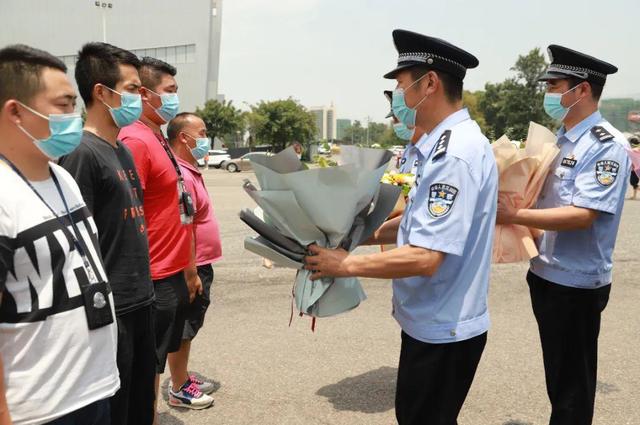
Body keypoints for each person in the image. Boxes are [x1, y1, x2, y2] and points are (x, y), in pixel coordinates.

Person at [305, 30, 497, 425]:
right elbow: (416, 226)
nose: (397, 95)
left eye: (401, 83)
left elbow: (427, 256)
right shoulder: (440, 145)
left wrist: (345, 265)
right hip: (433, 319)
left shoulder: (454, 154)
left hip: (445, 326)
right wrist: (354, 238)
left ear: (429, 83)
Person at [497, 45, 630, 425]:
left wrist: (514, 214)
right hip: (546, 273)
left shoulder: (606, 145)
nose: (549, 94)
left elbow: (584, 215)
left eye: (555, 86)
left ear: (582, 90)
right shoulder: (562, 138)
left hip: (576, 283)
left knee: (572, 388)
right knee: (559, 379)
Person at [0, 44, 119, 424]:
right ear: (16, 112)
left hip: (93, 389)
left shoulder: (63, 177)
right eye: (64, 104)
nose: (75, 115)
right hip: (38, 410)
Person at [57, 42, 155, 425]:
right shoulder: (82, 153)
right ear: (102, 92)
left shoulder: (123, 151)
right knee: (115, 408)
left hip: (141, 299)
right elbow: (75, 244)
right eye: (132, 89)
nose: (139, 99)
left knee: (138, 405)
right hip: (111, 310)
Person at [119, 57, 212, 411]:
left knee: (155, 364)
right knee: (145, 372)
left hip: (172, 272)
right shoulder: (136, 140)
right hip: (153, 277)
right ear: (145, 95)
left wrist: (187, 265)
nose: (175, 98)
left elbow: (180, 209)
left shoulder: (155, 137)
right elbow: (131, 215)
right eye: (169, 91)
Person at [166, 113, 222, 406]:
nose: (206, 139)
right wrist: (190, 271)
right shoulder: (181, 174)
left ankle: (182, 376)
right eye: (201, 133)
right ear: (184, 138)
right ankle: (178, 388)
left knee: (189, 324)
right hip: (192, 264)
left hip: (199, 261)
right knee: (184, 326)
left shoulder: (189, 169)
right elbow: (182, 224)